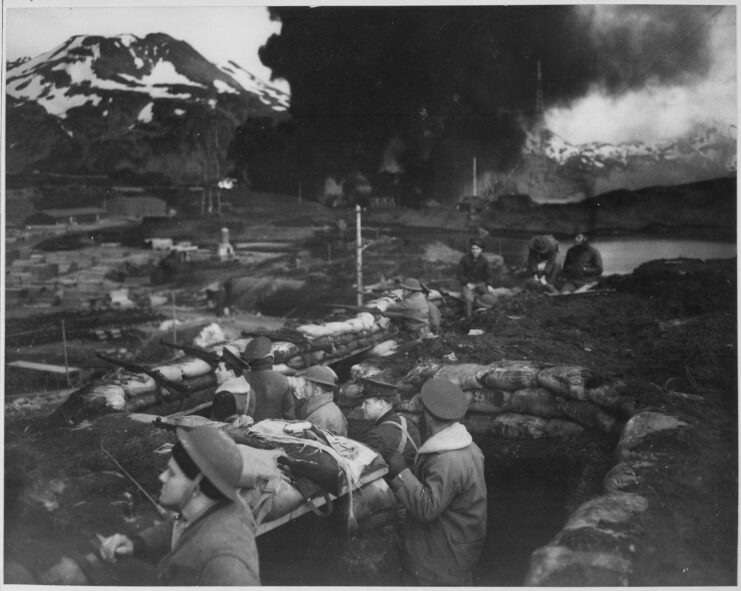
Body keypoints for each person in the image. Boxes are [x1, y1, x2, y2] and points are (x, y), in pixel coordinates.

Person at [98, 426, 261, 586]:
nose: (162, 477)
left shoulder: (225, 564)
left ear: (196, 488)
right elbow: (178, 528)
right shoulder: (206, 508)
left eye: (172, 473)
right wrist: (135, 544)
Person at [382, 378, 487, 586]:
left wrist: (401, 472)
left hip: (442, 556)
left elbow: (427, 508)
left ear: (428, 416)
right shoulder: (470, 448)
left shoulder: (447, 459)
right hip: (461, 543)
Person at [357, 377, 420, 465]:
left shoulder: (377, 435)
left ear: (381, 404)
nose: (362, 407)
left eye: (366, 403)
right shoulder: (404, 421)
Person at [243, 336, 295, 422]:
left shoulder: (243, 379)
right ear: (271, 356)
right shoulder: (282, 380)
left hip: (246, 430)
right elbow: (289, 415)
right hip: (273, 431)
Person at [297, 365, 347, 436]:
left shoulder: (320, 417)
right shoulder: (327, 408)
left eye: (306, 384)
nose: (303, 387)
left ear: (317, 390)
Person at [211, 348, 254, 422]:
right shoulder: (250, 391)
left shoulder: (223, 396)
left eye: (220, 369)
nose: (215, 371)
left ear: (231, 373)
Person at [457, 237, 496, 319]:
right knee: (468, 298)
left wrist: (489, 284)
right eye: (473, 249)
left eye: (477, 249)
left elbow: (489, 274)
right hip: (468, 284)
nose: (475, 251)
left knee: (490, 297)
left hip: (480, 284)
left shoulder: (484, 260)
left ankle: (487, 315)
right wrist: (467, 283)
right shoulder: (464, 259)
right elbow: (460, 274)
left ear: (481, 250)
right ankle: (468, 318)